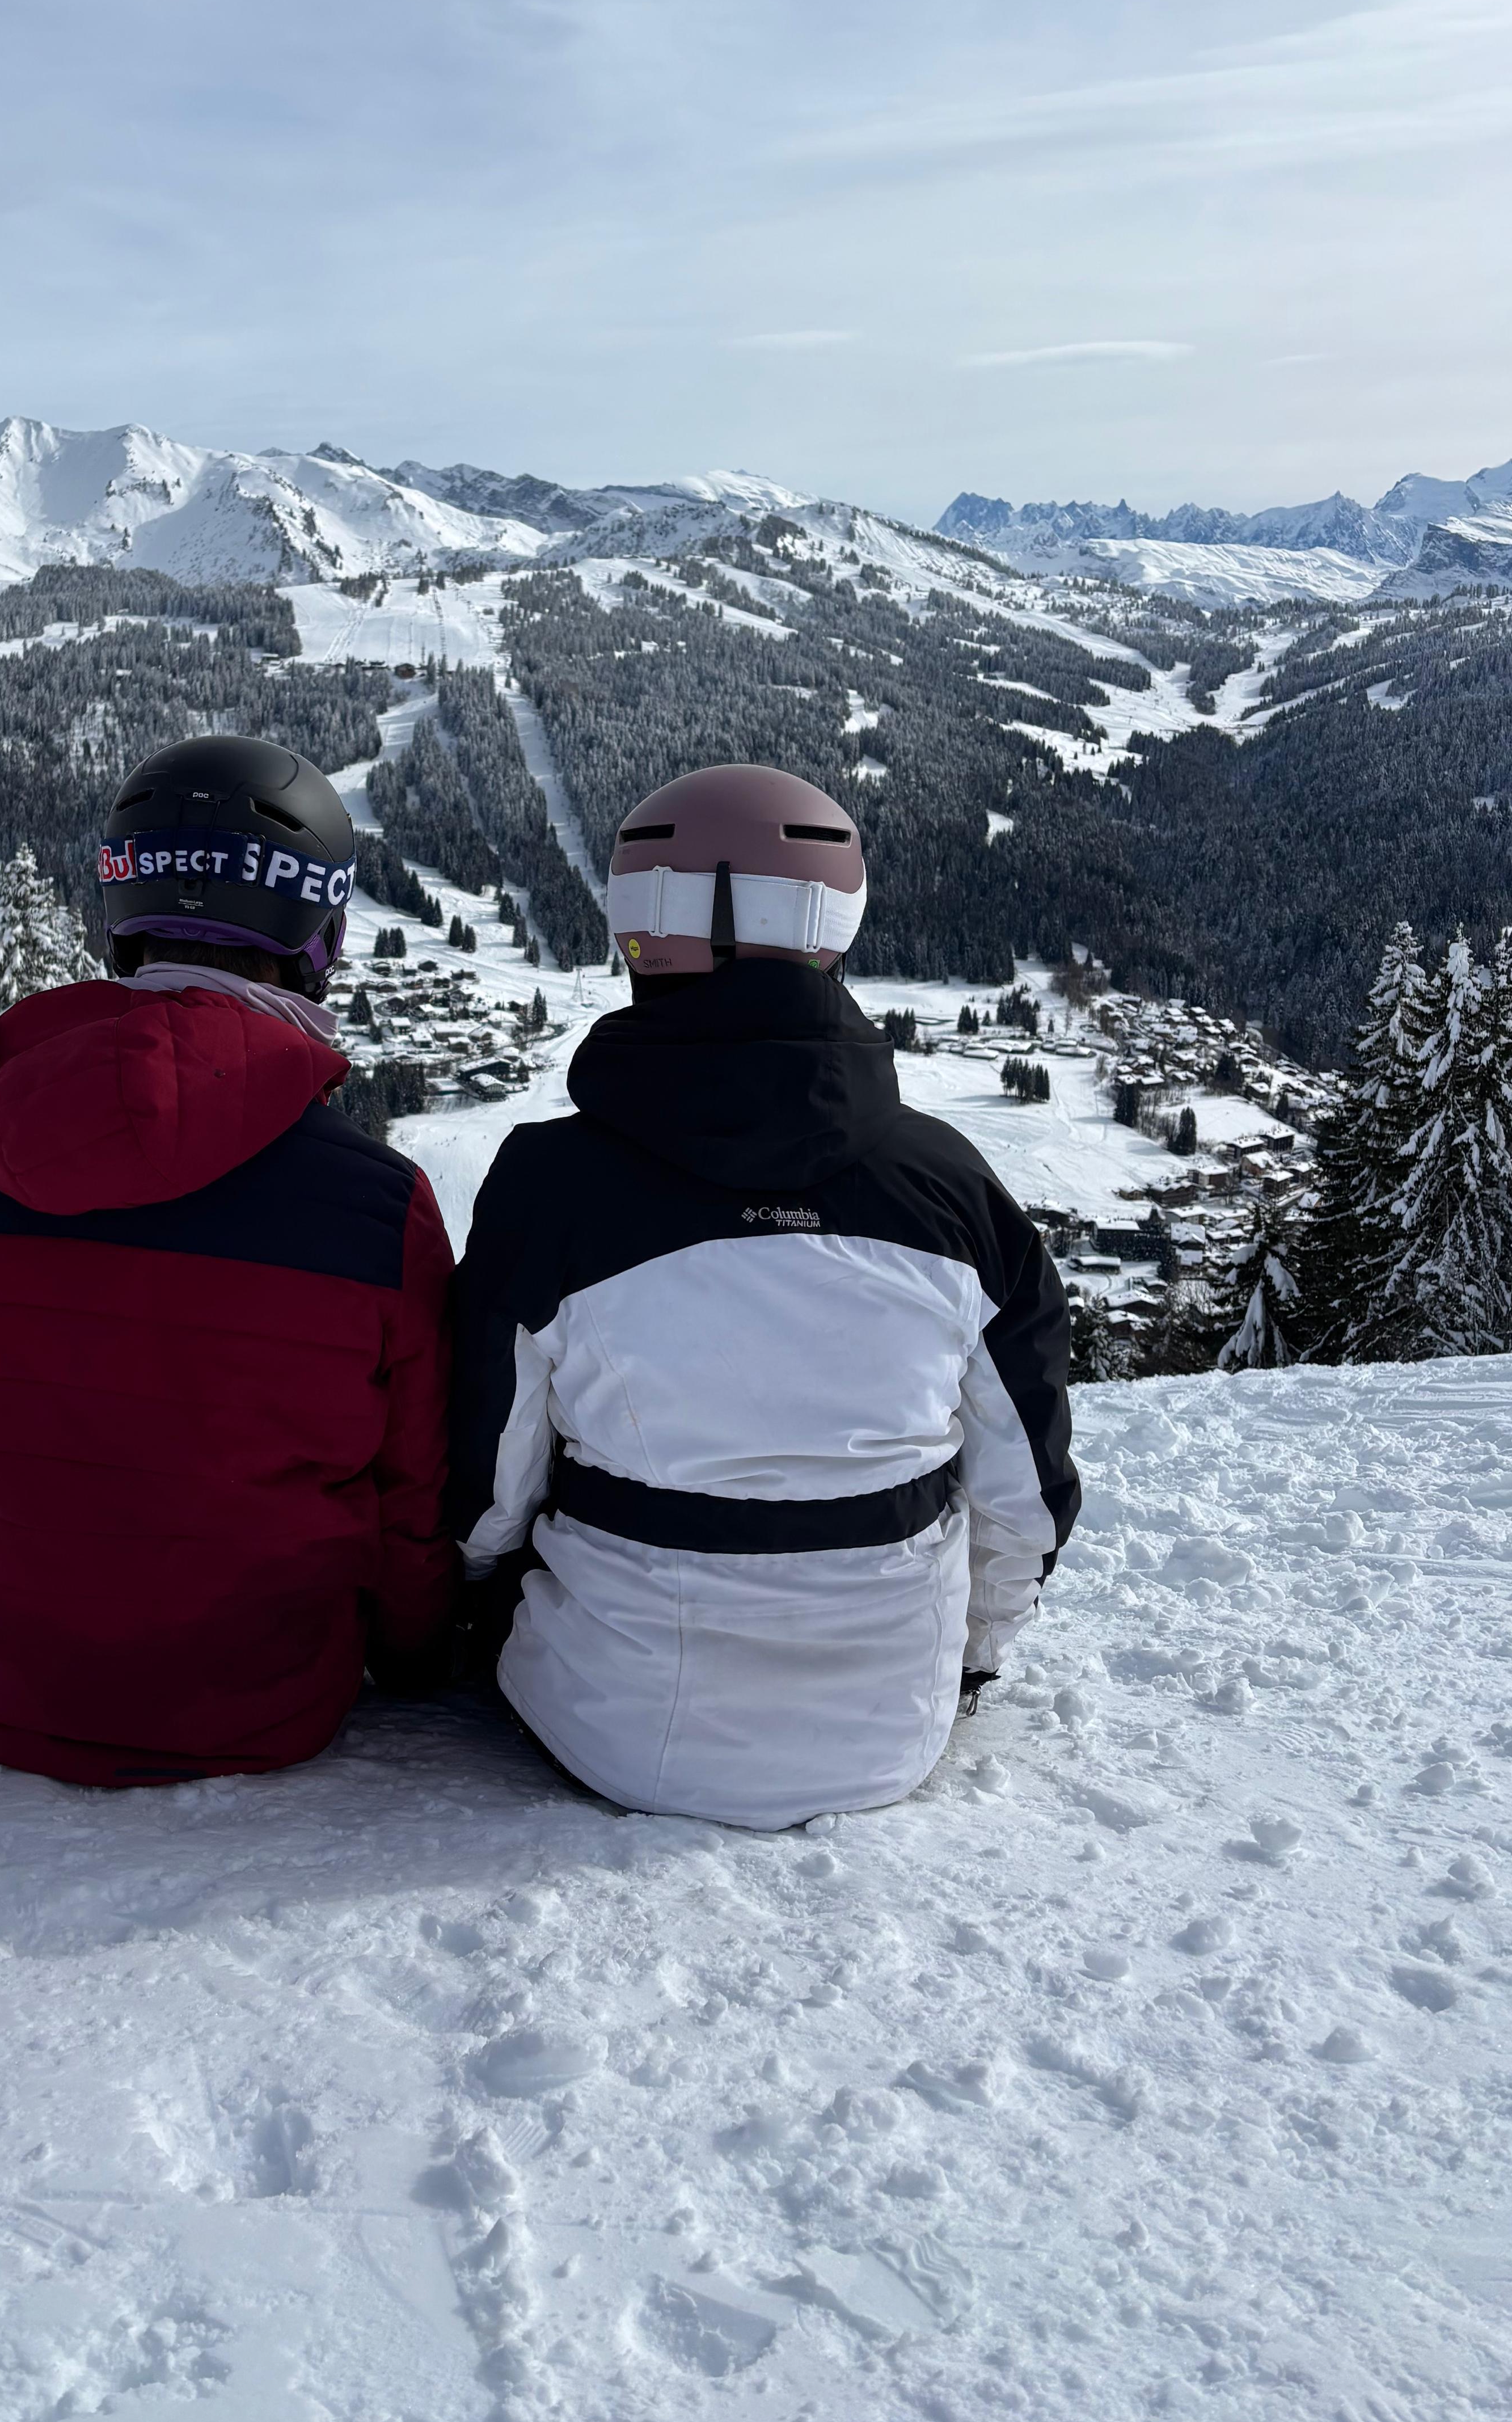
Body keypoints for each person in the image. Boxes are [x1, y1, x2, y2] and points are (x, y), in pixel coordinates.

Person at [448, 763, 1078, 1829]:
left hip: (612, 1725)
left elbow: (488, 1489)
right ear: (833, 926)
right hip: (890, 1731)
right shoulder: (952, 1190)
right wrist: (972, 1657)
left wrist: (466, 1599)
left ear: (637, 929)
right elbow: (1022, 1498)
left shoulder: (551, 1189)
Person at [0, 733, 457, 1784]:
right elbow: (414, 1491)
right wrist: (415, 1658)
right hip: (270, 1710)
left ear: (124, 911)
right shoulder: (378, 1208)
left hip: (4, 1700)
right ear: (318, 933)